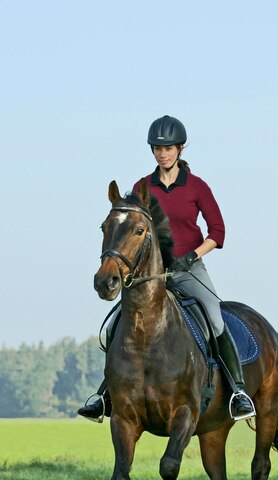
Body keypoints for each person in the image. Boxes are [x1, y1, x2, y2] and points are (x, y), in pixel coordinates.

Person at [78, 115, 256, 422]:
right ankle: (106, 395)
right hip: (149, 274)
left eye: (169, 148)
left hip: (189, 268)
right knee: (113, 327)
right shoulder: (142, 186)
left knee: (214, 318)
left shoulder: (198, 187)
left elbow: (218, 232)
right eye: (158, 149)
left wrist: (192, 257)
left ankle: (238, 392)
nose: (164, 154)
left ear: (180, 149)